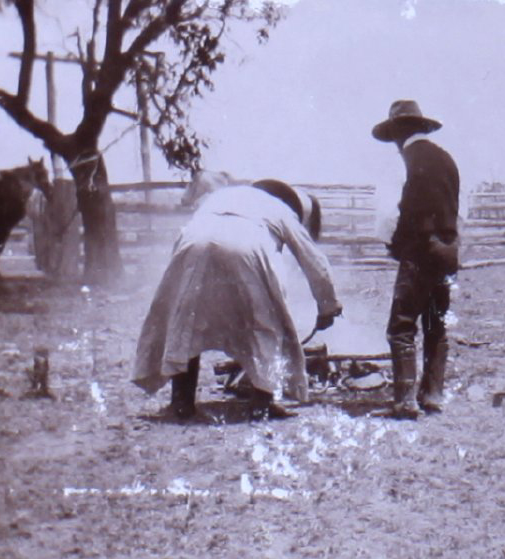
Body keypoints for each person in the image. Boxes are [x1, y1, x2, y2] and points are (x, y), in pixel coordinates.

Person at [131, 181, 342, 420]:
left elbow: (190, 232)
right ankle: (262, 403)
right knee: (265, 323)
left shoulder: (223, 195)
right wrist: (328, 306)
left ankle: (181, 402)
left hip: (194, 245)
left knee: (186, 321)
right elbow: (313, 260)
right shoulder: (281, 210)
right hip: (247, 247)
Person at [372, 100, 460, 419]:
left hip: (419, 250)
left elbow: (388, 214)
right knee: (436, 325)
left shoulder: (402, 163)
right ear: (421, 128)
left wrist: (394, 245)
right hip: (447, 251)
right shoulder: (447, 160)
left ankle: (405, 401)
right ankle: (433, 395)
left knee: (402, 326)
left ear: (397, 133)